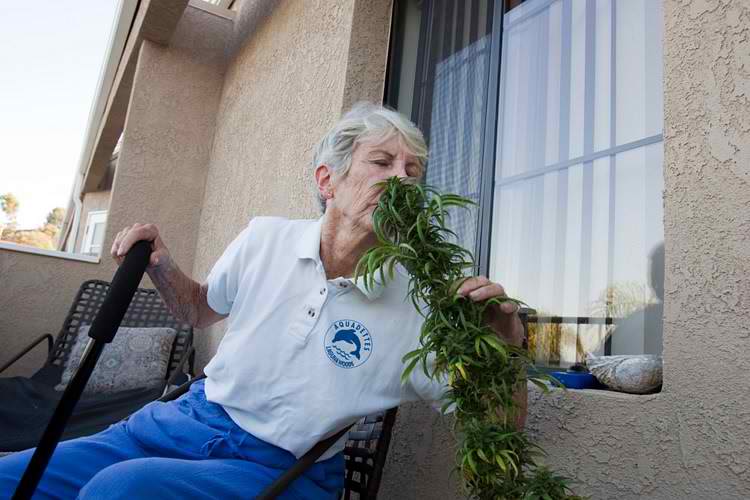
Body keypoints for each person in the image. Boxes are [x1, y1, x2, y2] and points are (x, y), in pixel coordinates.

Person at [0, 103, 525, 499]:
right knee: (11, 477)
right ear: (328, 180)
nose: (401, 180)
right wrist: (162, 265)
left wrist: (505, 349)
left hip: (281, 466)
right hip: (182, 421)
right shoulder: (264, 238)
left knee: (121, 490)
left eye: (413, 172)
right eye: (383, 162)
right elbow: (199, 309)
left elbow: (496, 424)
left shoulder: (420, 300)